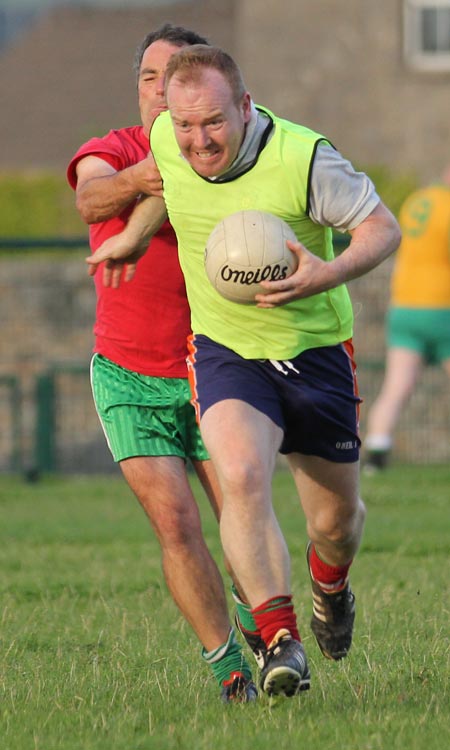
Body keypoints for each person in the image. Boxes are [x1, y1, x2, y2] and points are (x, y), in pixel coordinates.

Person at [86, 45, 401, 699]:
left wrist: (328, 271)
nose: (197, 140)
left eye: (214, 124)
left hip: (315, 353)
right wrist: (136, 236)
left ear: (245, 107)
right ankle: (281, 643)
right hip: (227, 351)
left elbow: (382, 228)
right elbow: (169, 183)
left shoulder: (303, 158)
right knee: (241, 475)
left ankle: (331, 589)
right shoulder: (169, 139)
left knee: (334, 523)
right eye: (184, 124)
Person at [66, 27, 257, 704]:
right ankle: (230, 672)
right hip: (127, 374)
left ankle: (263, 623)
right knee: (176, 523)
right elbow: (92, 199)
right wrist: (147, 176)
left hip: (218, 368)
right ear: (141, 87)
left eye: (173, 76)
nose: (158, 88)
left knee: (244, 515)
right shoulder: (113, 150)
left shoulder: (230, 155)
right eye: (149, 76)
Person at [364, 168, 450, 471]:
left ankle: (376, 453)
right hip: (441, 307)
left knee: (397, 386)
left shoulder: (417, 200)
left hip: (404, 307)